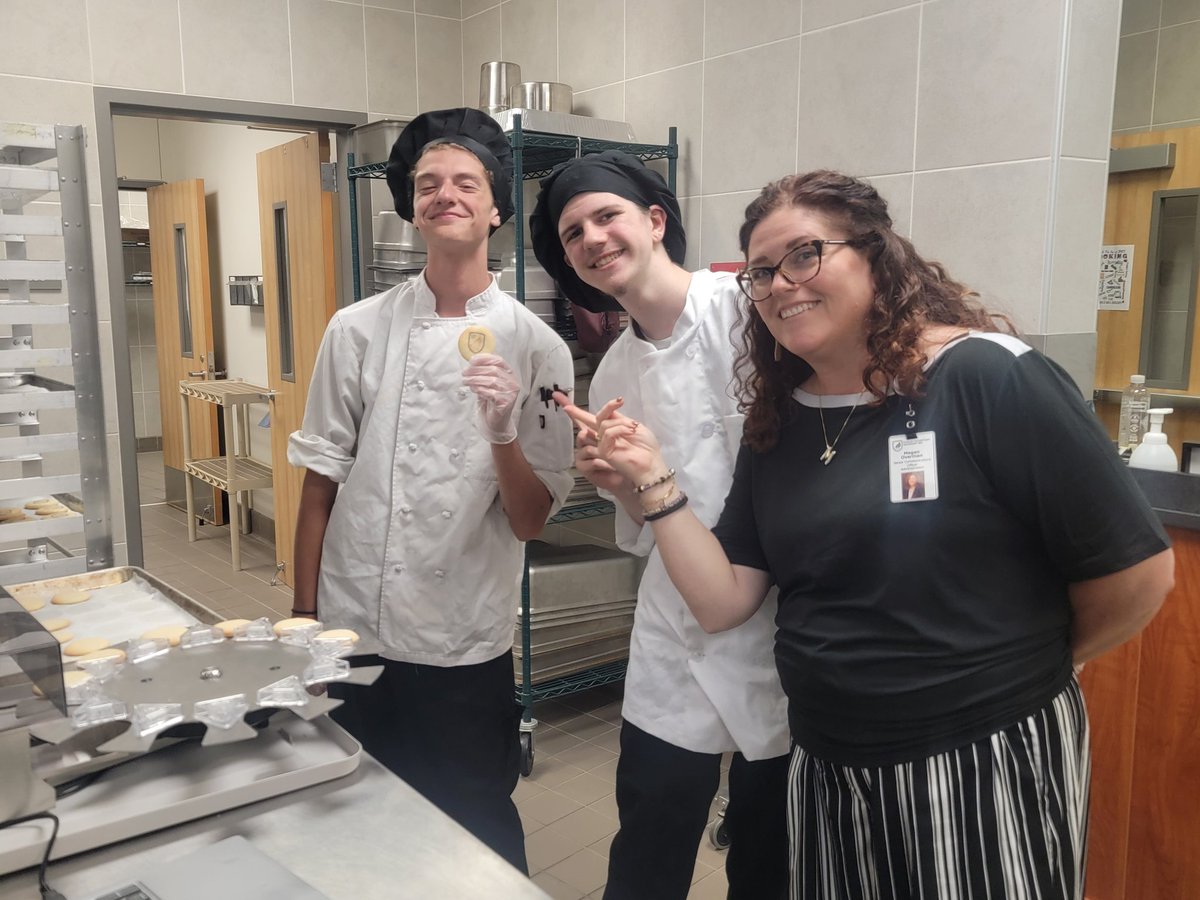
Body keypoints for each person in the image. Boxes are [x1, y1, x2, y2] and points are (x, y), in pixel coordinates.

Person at [559, 170, 1175, 899]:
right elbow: (723, 600)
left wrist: (1018, 677)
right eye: (762, 272)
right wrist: (650, 482)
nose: (783, 284)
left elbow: (1137, 575)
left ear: (876, 254)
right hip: (827, 766)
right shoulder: (782, 421)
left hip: (976, 760)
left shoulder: (984, 377)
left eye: (805, 255)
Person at [287, 108, 575, 873]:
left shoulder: (538, 346)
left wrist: (503, 430)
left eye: (465, 182)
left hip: (461, 640)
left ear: (495, 207)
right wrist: (303, 619)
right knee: (351, 805)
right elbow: (320, 485)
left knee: (473, 819)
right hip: (355, 625)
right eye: (427, 184)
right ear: (410, 206)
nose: (445, 195)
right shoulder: (355, 329)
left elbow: (531, 521)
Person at [530, 151, 790, 900]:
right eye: (574, 232)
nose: (592, 238)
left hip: (777, 627)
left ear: (653, 220)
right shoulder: (613, 375)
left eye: (605, 216)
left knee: (769, 857)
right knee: (648, 838)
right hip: (675, 632)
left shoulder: (746, 311)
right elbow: (648, 523)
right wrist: (618, 486)